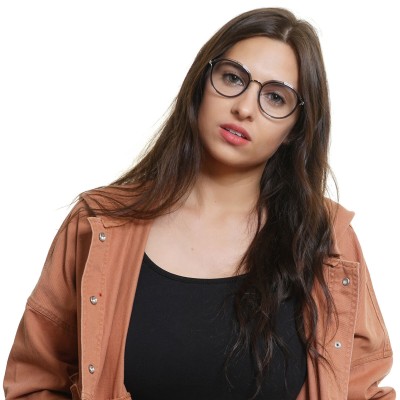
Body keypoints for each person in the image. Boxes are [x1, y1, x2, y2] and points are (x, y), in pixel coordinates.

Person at [3, 7, 395, 400]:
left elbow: (362, 390)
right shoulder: (98, 226)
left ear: (295, 128)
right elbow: (35, 384)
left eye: (276, 97)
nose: (244, 108)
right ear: (201, 83)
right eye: (233, 78)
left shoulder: (328, 243)